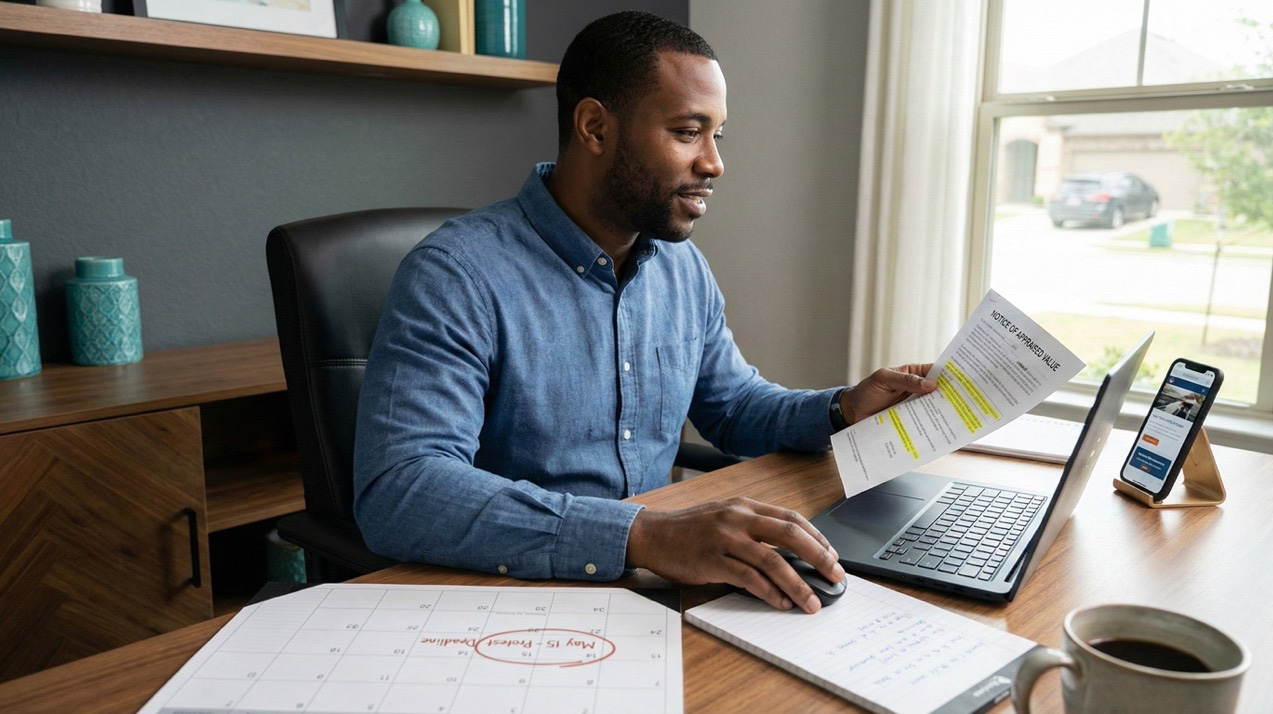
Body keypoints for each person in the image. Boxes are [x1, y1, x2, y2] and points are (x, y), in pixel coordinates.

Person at [353, 10, 935, 615]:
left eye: (717, 135)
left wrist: (842, 409)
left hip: (656, 588)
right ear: (595, 128)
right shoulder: (455, 274)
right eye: (687, 132)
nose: (714, 163)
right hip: (508, 599)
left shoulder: (681, 268)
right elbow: (401, 489)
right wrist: (644, 535)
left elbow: (733, 405)